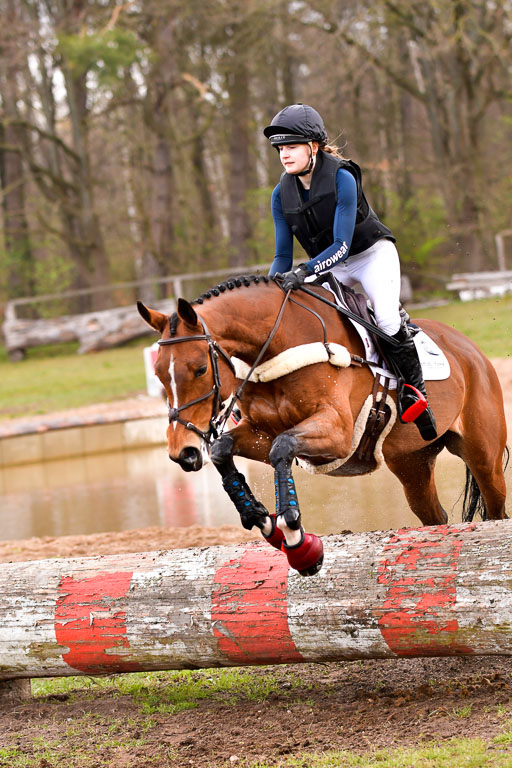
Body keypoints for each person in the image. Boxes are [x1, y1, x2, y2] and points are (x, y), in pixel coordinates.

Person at [263, 103, 437, 441]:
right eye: (280, 149)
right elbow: (282, 255)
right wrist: (269, 290)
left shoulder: (342, 177)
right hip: (331, 266)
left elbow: (342, 246)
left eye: (292, 146)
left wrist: (305, 271)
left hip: (370, 255)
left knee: (385, 319)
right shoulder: (279, 194)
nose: (284, 155)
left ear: (314, 147)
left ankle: (417, 395)